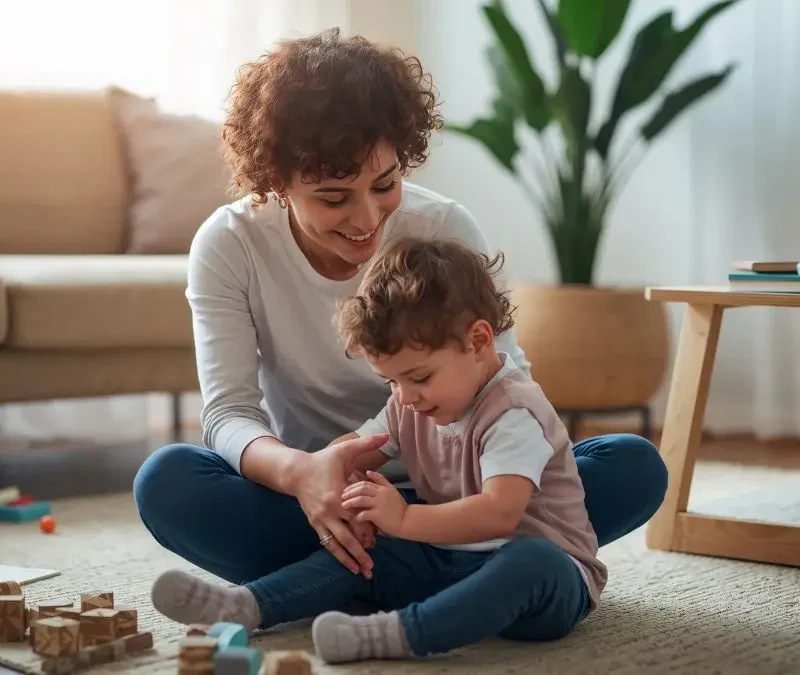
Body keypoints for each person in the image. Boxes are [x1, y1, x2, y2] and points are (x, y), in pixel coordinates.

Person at [133, 27, 666, 593]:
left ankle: (364, 573)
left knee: (632, 465)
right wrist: (303, 474)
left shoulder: (443, 228)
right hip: (315, 497)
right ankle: (455, 575)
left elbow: (504, 380)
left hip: (464, 494)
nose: (367, 219)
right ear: (276, 182)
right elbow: (228, 414)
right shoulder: (230, 243)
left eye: (385, 184)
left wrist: (464, 500)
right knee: (167, 482)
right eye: (334, 197)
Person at [150, 237, 608, 664]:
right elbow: (359, 448)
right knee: (373, 552)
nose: (405, 396)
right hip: (452, 554)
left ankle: (397, 634)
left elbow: (499, 514)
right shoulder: (409, 402)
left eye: (419, 377)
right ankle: (247, 605)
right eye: (392, 381)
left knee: (530, 560)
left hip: (548, 578)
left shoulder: (513, 411)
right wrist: (332, 474)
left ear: (479, 341)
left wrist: (404, 519)